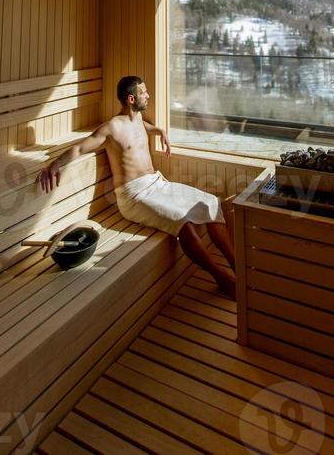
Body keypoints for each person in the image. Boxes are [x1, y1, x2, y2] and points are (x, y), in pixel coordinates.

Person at [36, 75, 236, 298]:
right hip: (134, 196)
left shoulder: (138, 118)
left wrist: (158, 130)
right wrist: (55, 164)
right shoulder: (112, 127)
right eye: (143, 92)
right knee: (184, 222)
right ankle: (222, 278)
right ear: (131, 99)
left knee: (210, 202)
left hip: (157, 183)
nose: (148, 95)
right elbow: (81, 148)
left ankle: (237, 265)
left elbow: (143, 128)